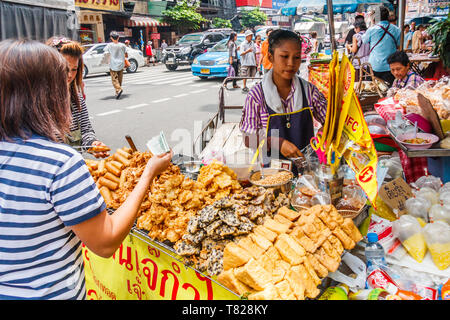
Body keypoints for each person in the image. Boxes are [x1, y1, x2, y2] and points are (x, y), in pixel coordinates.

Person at [0, 39, 173, 299]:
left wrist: (90, 143)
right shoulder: (59, 164)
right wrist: (149, 172)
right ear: (46, 93)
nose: (69, 81)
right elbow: (106, 242)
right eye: (61, 78)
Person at [239, 29, 327, 174]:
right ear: (270, 57)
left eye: (297, 57)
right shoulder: (256, 96)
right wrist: (276, 143)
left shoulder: (309, 91)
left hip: (308, 172)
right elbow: (248, 139)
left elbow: (330, 120)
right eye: (284, 56)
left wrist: (326, 131)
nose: (291, 63)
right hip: (271, 174)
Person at [47, 36, 109, 158]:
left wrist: (92, 144)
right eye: (64, 69)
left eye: (74, 69)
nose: (69, 75)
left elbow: (86, 131)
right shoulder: (36, 103)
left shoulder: (76, 98)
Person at [362, 7, 400, 86]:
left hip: (374, 66)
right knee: (389, 90)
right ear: (388, 16)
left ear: (375, 17)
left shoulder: (372, 30)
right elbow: (399, 45)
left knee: (372, 90)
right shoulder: (396, 30)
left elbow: (364, 40)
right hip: (390, 67)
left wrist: (372, 24)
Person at [103, 31, 127, 99]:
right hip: (121, 64)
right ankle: (117, 92)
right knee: (119, 79)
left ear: (111, 38)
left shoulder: (109, 45)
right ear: (118, 37)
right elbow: (126, 54)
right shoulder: (122, 45)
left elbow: (106, 53)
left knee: (114, 79)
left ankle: (118, 89)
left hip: (113, 64)